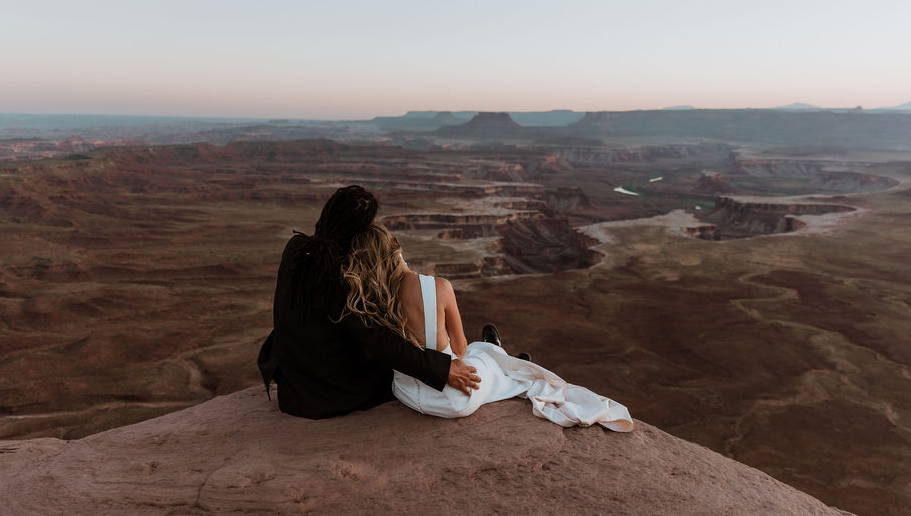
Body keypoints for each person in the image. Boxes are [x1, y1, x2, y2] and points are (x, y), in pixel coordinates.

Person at [341, 222, 634, 431]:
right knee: (480, 356)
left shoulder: (367, 301)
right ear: (395, 245)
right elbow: (458, 348)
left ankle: (497, 350)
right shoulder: (438, 287)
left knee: (481, 354)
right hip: (452, 400)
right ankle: (501, 353)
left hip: (406, 394)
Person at [257, 185, 480, 419]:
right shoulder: (335, 276)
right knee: (397, 374)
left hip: (293, 388)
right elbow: (378, 341)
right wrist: (443, 370)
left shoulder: (296, 249)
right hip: (326, 396)